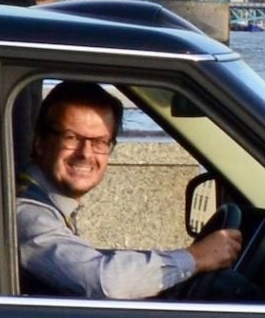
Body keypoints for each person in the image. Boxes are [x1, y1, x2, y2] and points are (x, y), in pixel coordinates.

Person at [16, 81, 241, 299]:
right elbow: (104, 282)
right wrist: (196, 257)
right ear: (40, 142)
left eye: (99, 142)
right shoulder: (26, 214)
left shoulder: (50, 205)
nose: (85, 154)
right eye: (71, 138)